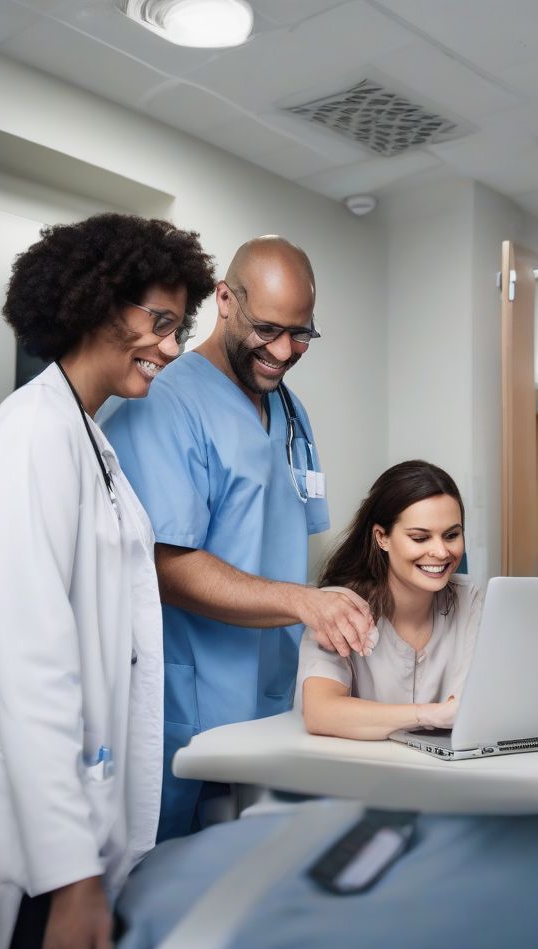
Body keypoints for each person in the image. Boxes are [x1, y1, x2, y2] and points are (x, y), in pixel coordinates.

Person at [0, 213, 214, 949]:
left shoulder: (89, 439)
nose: (171, 345)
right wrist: (72, 872)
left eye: (178, 326)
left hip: (81, 828)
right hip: (39, 853)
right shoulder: (28, 439)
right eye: (158, 320)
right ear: (94, 304)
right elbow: (30, 669)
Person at [103, 237, 373, 841]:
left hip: (274, 695)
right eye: (269, 328)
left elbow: (284, 539)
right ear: (225, 300)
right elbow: (162, 565)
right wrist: (303, 603)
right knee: (172, 879)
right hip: (192, 700)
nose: (283, 351)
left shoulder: (288, 407)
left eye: (300, 334)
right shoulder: (163, 404)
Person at [298, 460, 481, 739]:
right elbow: (320, 712)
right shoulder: (338, 607)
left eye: (451, 535)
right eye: (420, 538)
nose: (441, 552)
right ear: (381, 537)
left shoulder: (473, 600)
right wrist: (428, 714)